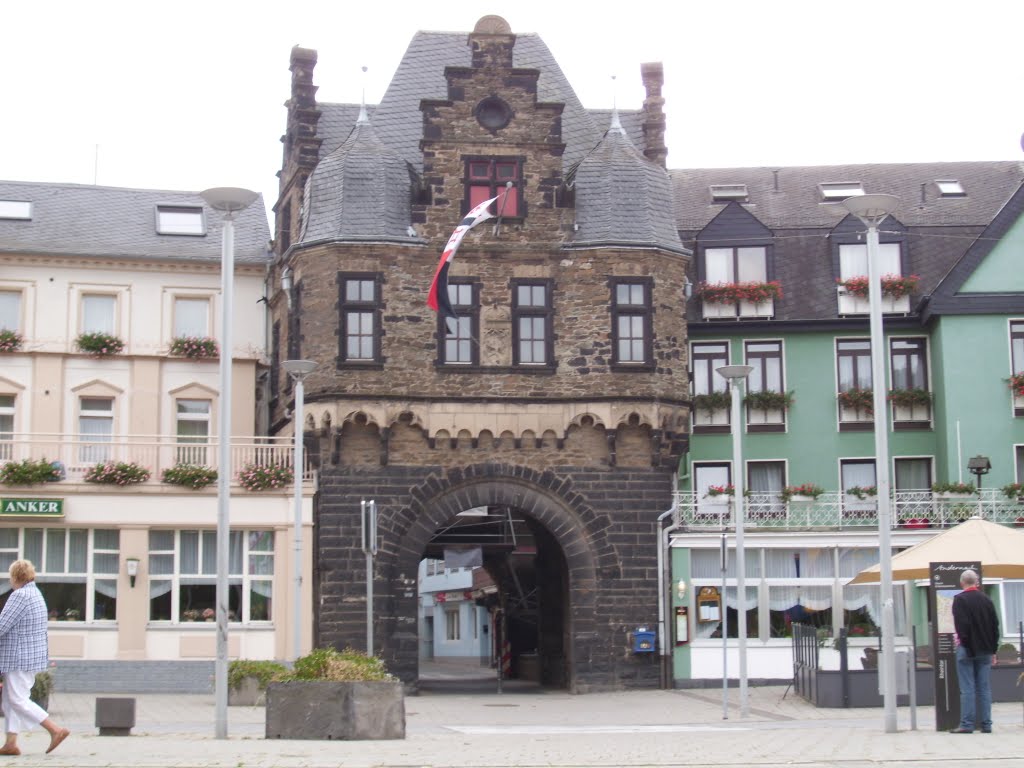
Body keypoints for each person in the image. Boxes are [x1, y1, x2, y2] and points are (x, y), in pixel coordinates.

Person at [0, 559, 70, 755]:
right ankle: (10, 743)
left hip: (17, 657)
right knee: (10, 699)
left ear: (15, 576)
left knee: (17, 699)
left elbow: (2, 625)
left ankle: (55, 730)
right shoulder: (35, 593)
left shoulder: (20, 596)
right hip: (30, 656)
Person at [950, 568, 1000, 734]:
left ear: (962, 582)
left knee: (968, 688)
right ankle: (986, 725)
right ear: (976, 582)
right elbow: (995, 627)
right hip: (986, 650)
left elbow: (961, 626)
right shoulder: (987, 600)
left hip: (967, 649)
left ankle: (967, 724)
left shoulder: (959, 599)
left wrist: (964, 644)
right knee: (984, 688)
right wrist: (993, 650)